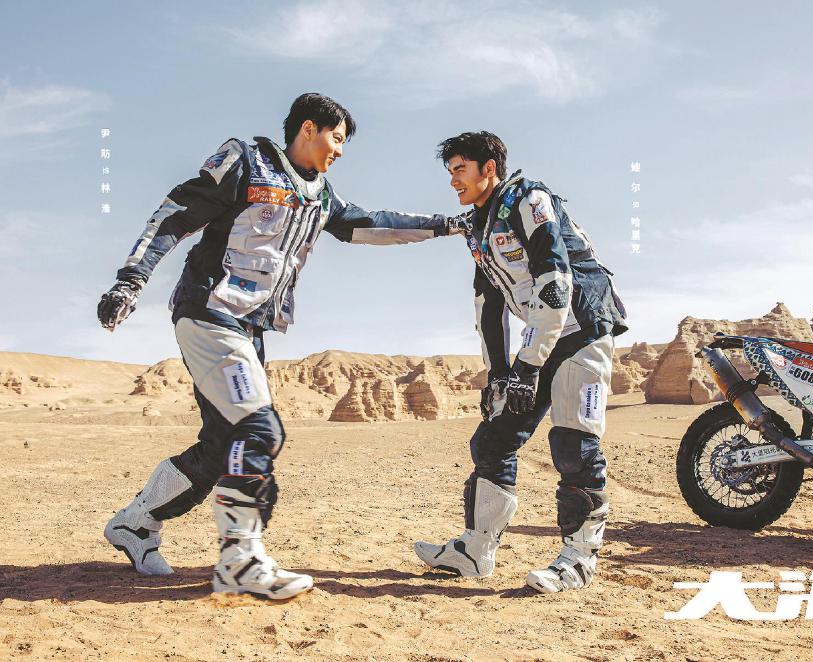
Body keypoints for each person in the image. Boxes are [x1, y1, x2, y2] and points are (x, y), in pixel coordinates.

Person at [98, 93, 450, 600]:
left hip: (250, 329)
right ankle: (240, 562)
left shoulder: (321, 195)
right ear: (308, 128)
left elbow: (369, 223)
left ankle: (135, 523)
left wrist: (446, 225)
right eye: (337, 138)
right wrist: (131, 279)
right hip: (210, 311)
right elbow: (176, 215)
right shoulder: (246, 161)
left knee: (224, 446)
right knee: (259, 430)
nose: (340, 151)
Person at [413, 131, 628, 593]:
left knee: (574, 446)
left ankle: (578, 560)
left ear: (489, 168)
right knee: (493, 441)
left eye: (460, 169)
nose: (453, 181)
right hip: (542, 339)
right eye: (450, 171)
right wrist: (498, 374)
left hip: (583, 328)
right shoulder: (480, 226)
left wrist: (527, 367)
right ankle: (475, 551)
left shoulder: (529, 201)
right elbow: (488, 304)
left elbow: (555, 280)